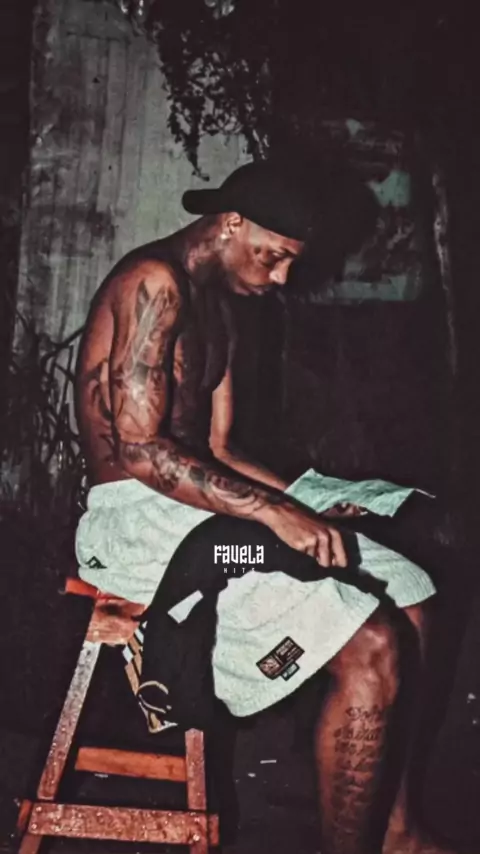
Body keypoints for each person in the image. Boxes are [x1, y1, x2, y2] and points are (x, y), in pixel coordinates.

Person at [74, 160, 457, 854]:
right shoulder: (152, 284)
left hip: (199, 508)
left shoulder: (220, 309)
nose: (281, 277)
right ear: (231, 224)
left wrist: (306, 505)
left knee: (414, 596)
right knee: (371, 641)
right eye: (274, 256)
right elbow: (139, 450)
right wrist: (276, 515)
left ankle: (397, 831)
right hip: (136, 521)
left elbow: (218, 449)